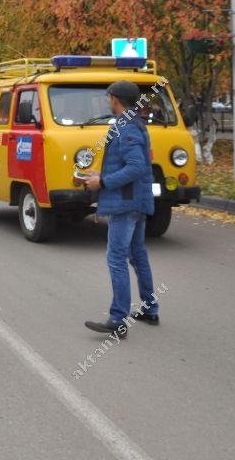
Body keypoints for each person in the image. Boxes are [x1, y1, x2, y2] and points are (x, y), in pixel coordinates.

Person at [79, 80, 159, 338]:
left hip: (126, 203)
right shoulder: (133, 124)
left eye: (109, 97)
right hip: (134, 200)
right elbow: (128, 164)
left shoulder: (127, 129)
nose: (107, 101)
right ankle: (149, 308)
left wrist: (102, 182)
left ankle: (117, 319)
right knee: (137, 255)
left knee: (116, 258)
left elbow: (135, 167)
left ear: (115, 99)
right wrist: (98, 174)